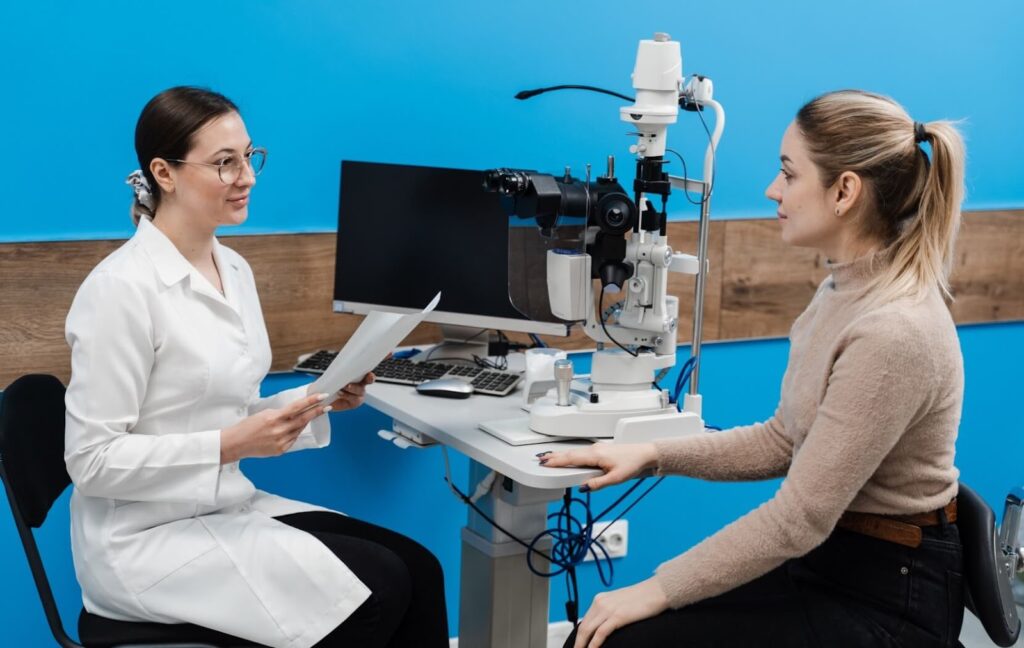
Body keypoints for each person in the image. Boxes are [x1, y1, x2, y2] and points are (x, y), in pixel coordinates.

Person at [542, 89, 967, 648]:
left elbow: (797, 520)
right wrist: (649, 454)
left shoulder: (894, 331)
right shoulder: (843, 288)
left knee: (617, 637)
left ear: (844, 192)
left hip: (890, 597)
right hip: (832, 559)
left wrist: (654, 588)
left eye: (789, 175)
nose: (773, 190)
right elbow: (784, 440)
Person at [64, 86, 448, 648]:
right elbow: (91, 463)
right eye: (224, 163)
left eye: (249, 156)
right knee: (380, 587)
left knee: (419, 567)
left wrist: (320, 398)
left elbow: (229, 412)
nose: (246, 176)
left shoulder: (234, 268)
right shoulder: (119, 291)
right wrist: (228, 445)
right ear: (163, 174)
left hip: (221, 506)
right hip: (143, 541)